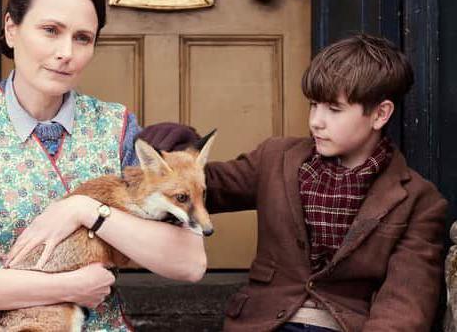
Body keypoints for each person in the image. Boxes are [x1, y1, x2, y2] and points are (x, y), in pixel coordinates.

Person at [0, 0, 206, 330]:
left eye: (83, 38)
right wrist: (65, 287)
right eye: (50, 30)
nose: (66, 52)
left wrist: (87, 210)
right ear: (12, 28)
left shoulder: (117, 126)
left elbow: (189, 262)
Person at [139, 34, 447, 331]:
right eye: (314, 105)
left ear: (380, 114)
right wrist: (179, 149)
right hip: (264, 321)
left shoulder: (418, 200)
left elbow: (406, 302)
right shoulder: (277, 158)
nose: (316, 121)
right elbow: (209, 188)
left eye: (334, 109)